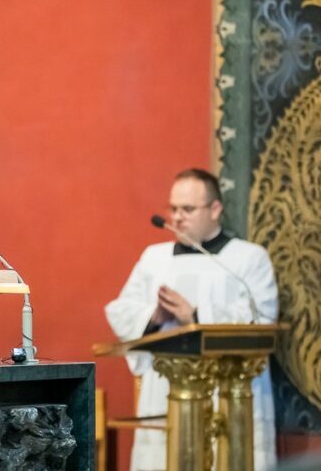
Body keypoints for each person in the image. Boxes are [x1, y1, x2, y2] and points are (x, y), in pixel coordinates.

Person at [105, 169, 278, 471]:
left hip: (228, 390)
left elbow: (262, 318)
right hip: (166, 389)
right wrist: (154, 317)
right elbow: (122, 310)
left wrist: (195, 316)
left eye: (188, 209)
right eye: (173, 209)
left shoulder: (249, 259)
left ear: (215, 209)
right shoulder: (154, 258)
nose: (178, 217)